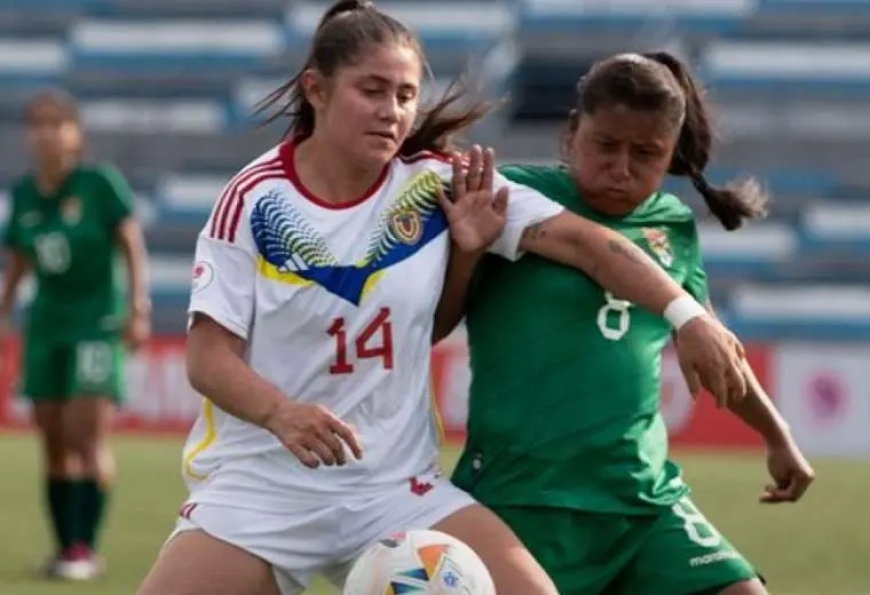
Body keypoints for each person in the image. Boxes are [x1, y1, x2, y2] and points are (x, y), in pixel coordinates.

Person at [136, 4, 749, 594]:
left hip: (395, 489)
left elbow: (589, 245)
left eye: (405, 95)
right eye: (371, 91)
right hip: (263, 488)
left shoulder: (437, 183)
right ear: (316, 90)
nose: (392, 112)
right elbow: (207, 359)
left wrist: (686, 315)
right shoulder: (254, 201)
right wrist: (282, 413)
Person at [447, 51, 816, 595]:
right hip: (524, 494)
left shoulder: (672, 226)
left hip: (642, 498)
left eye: (646, 153)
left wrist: (776, 434)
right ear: (571, 134)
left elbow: (712, 346)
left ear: (671, 156)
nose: (621, 168)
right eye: (605, 145)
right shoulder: (515, 200)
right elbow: (436, 322)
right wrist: (466, 254)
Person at [0, 89, 151, 581]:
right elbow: (20, 261)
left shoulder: (98, 184)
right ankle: (65, 548)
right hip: (45, 328)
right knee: (52, 438)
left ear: (75, 133)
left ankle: (86, 547)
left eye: (56, 123)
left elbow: (129, 241)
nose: (46, 132)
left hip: (95, 325)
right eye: (37, 124)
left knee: (87, 436)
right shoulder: (24, 194)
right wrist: (4, 309)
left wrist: (136, 307)